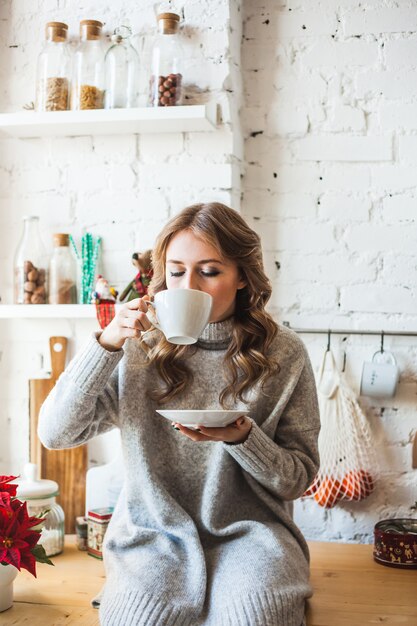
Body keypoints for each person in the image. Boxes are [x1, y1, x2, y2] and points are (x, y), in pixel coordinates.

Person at [38, 202, 320, 626]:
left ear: (243, 276)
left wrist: (243, 438)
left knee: (256, 618)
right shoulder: (137, 348)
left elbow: (297, 478)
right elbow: (55, 434)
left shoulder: (284, 354)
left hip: (255, 538)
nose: (188, 286)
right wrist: (106, 344)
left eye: (209, 271)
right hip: (150, 538)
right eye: (176, 271)